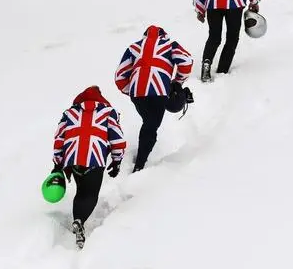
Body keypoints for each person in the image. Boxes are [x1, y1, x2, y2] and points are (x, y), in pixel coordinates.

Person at [51, 85, 126, 247]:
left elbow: (59, 138)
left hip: (73, 159)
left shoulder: (69, 113)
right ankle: (80, 221)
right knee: (90, 194)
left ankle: (77, 220)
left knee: (81, 191)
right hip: (94, 158)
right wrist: (116, 160)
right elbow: (117, 140)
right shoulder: (108, 112)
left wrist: (57, 162)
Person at [114, 25, 193, 172]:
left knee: (149, 122)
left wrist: (131, 90)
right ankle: (140, 164)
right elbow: (186, 61)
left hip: (137, 93)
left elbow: (120, 76)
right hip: (159, 91)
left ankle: (142, 155)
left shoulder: (134, 47)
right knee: (151, 125)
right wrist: (177, 81)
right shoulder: (170, 45)